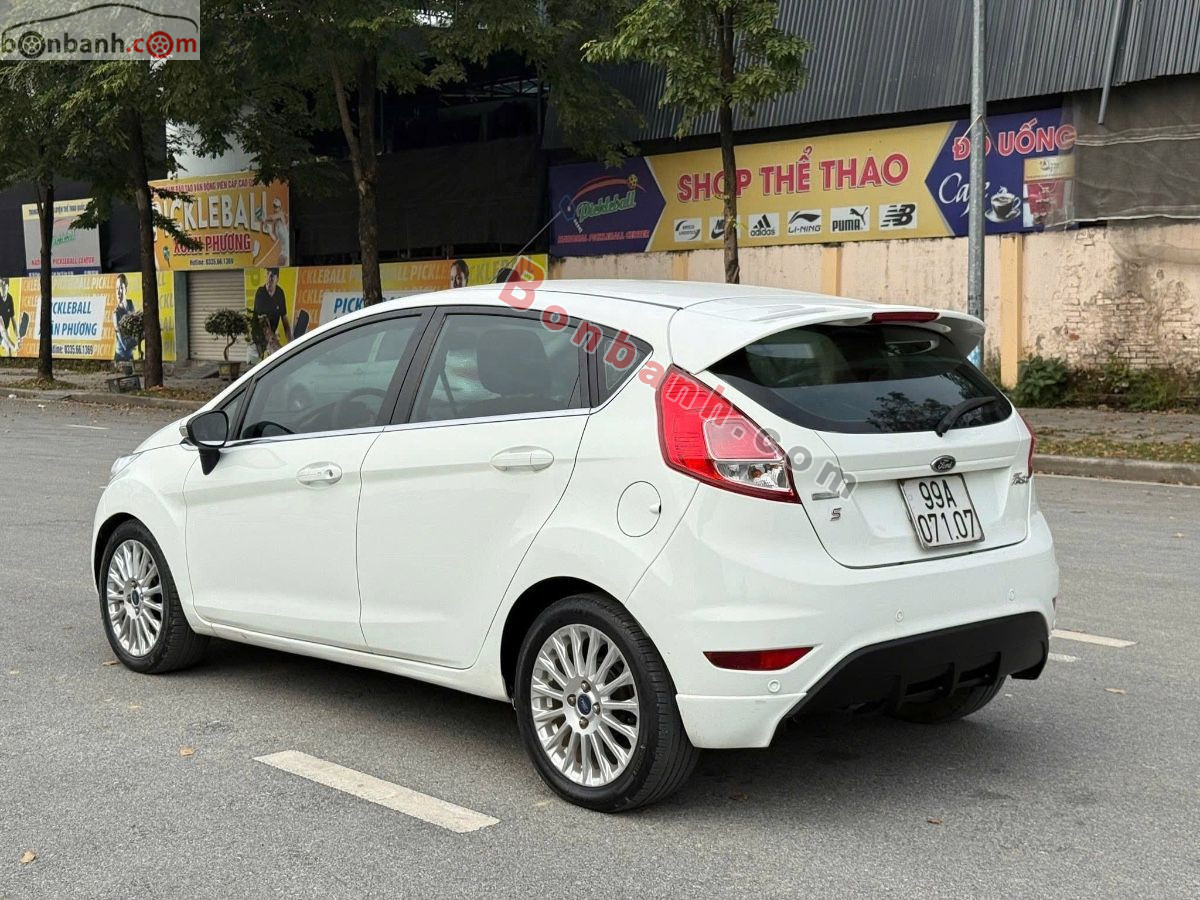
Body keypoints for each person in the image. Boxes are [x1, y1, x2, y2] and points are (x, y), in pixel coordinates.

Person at [253, 267, 291, 347]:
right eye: (268, 275)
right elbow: (263, 321)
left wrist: (290, 342)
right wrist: (275, 341)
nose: (270, 279)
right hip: (258, 337)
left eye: (272, 276)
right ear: (266, 276)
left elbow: (284, 319)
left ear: (277, 279)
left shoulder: (280, 293)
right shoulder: (260, 293)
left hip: (272, 336)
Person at [112, 274, 136, 362]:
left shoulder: (130, 304)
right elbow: (125, 345)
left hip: (130, 356)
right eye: (116, 288)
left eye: (121, 288)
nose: (118, 292)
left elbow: (135, 328)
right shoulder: (116, 313)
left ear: (126, 289)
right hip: (120, 357)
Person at [0, 278, 17, 357]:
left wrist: (18, 337)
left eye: (4, 286)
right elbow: (2, 328)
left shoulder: (9, 298)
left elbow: (13, 320)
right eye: (1, 286)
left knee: (9, 351)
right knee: (8, 344)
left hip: (5, 330)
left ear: (7, 287)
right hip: (2, 330)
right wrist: (13, 345)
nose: (2, 288)